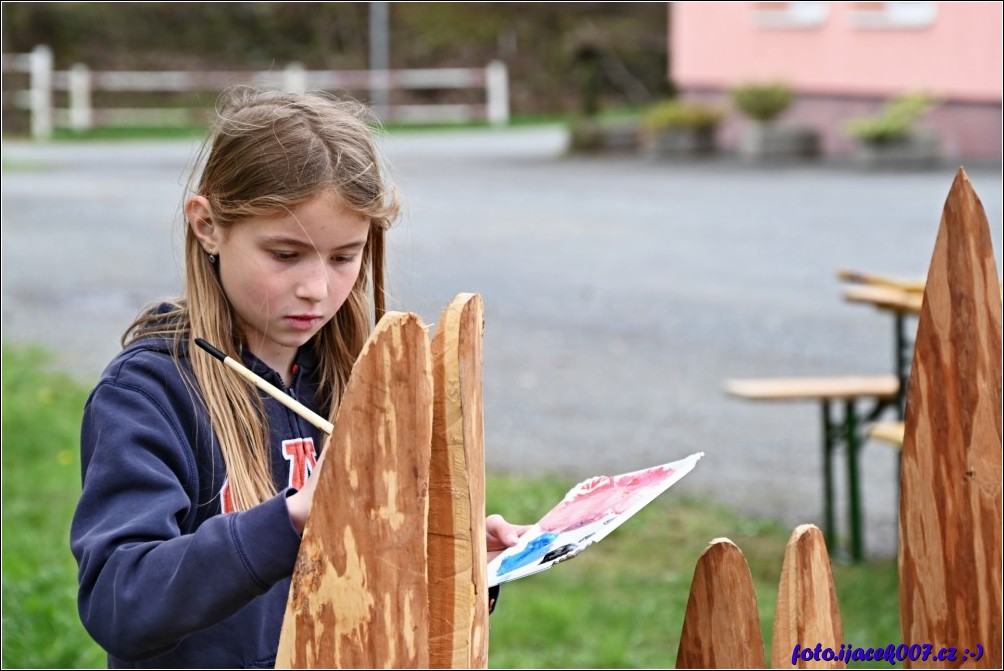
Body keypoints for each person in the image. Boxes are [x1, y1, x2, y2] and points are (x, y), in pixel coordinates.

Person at [70, 87, 527, 668]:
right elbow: (120, 603)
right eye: (285, 255)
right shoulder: (149, 395)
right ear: (208, 225)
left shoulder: (370, 384)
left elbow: (386, 605)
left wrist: (454, 561)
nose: (317, 289)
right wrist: (288, 519)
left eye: (343, 258)